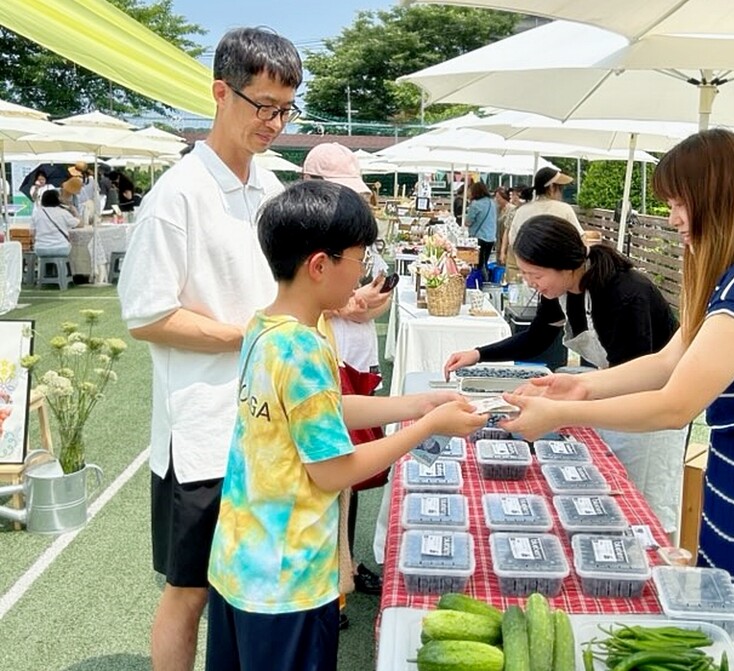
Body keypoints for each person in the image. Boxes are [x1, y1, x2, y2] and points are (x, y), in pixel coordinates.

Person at [503, 129, 734, 671]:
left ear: (716, 198)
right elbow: (667, 360)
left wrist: (562, 412)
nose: (674, 217)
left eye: (679, 203)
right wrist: (582, 386)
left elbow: (676, 404)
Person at [205, 179, 485, 671]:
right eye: (358, 260)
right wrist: (425, 428)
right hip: (290, 578)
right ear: (320, 265)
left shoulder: (266, 328)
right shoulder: (306, 347)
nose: (362, 275)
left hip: (240, 562)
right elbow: (334, 471)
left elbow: (324, 411)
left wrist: (417, 405)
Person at [117, 27, 304, 671]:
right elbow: (147, 315)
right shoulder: (176, 197)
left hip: (262, 422)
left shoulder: (271, 187)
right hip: (200, 431)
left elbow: (279, 287)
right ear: (220, 93)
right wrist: (249, 336)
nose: (274, 122)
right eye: (263, 106)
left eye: (286, 108)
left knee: (244, 580)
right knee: (189, 589)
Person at [444, 214, 685, 532]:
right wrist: (478, 354)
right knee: (608, 493)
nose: (530, 282)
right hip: (607, 390)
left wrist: (567, 401)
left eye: (536, 274)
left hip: (651, 407)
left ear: (565, 264)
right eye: (527, 273)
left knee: (643, 504)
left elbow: (632, 374)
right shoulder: (560, 290)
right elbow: (537, 338)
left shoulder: (625, 293)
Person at [301, 142, 394, 615]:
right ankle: (330, 580)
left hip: (352, 356)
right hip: (326, 359)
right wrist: (347, 303)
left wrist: (366, 301)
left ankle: (345, 567)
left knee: (348, 471)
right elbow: (304, 298)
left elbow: (353, 298)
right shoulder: (300, 236)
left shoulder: (349, 233)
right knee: (329, 469)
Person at [503, 167, 582, 283]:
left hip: (527, 273)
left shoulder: (522, 210)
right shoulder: (564, 209)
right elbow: (580, 239)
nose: (561, 193)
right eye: (560, 188)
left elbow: (513, 240)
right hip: (555, 275)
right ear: (551, 188)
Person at [31, 189, 78, 256]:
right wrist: (74, 211)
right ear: (57, 200)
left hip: (40, 249)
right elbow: (79, 224)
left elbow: (32, 233)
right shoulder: (63, 212)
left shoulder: (37, 213)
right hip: (61, 248)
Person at [464, 181, 497, 276]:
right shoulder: (492, 202)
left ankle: (478, 280)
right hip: (491, 237)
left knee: (477, 263)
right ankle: (485, 278)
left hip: (478, 237)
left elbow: (468, 222)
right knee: (485, 262)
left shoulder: (475, 204)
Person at [494, 186, 516, 268]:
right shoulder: (498, 209)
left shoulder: (511, 209)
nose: (496, 200)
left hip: (507, 242)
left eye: (498, 197)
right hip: (499, 240)